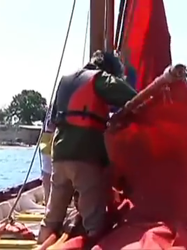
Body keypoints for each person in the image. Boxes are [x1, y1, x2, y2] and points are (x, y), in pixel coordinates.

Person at [38, 50, 137, 244]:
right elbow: (129, 96)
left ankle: (42, 241)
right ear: (109, 70)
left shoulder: (65, 81)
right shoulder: (100, 79)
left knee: (53, 213)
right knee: (93, 217)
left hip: (59, 155)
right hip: (85, 156)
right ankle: (92, 243)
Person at [39, 110, 55, 204]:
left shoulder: (50, 108)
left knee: (46, 170)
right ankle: (50, 200)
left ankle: (47, 199)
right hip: (55, 136)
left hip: (46, 135)